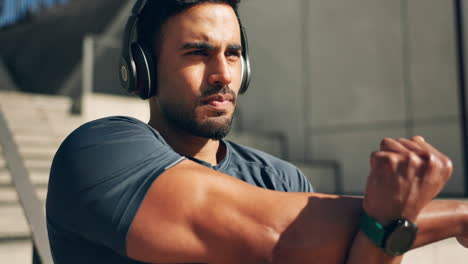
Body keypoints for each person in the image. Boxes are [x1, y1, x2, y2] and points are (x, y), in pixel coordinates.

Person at [46, 0, 468, 263]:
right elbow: (281, 239)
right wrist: (454, 215)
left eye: (234, 54)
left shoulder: (280, 179)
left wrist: (388, 230)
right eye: (198, 53)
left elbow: (357, 246)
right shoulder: (97, 154)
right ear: (143, 70)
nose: (222, 74)